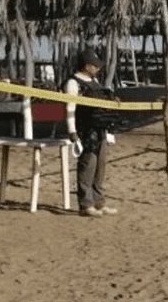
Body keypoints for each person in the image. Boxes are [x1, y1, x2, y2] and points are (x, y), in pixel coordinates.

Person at [62, 48, 119, 217]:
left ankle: (99, 202)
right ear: (87, 66)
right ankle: (86, 205)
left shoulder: (94, 81)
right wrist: (72, 131)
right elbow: (70, 108)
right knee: (88, 165)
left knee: (100, 167)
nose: (98, 68)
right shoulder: (73, 83)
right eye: (95, 65)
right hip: (85, 130)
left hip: (100, 128)